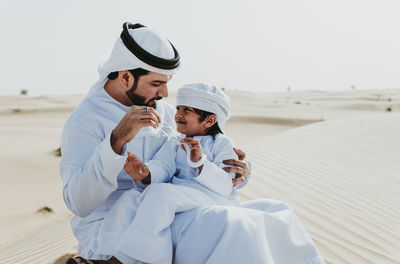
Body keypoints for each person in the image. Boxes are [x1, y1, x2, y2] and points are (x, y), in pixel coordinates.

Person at [61, 22, 324, 264]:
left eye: (166, 84)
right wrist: (116, 140)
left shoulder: (162, 109)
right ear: (126, 77)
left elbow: (197, 151)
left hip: (173, 210)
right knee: (232, 226)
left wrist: (236, 171)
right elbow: (78, 204)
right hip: (116, 227)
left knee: (275, 214)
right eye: (156, 84)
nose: (164, 94)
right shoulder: (85, 120)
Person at [104, 83, 241, 263]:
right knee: (130, 198)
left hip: (211, 196)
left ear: (209, 120)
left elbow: (226, 185)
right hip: (179, 194)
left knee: (161, 193)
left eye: (187, 110)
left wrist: (201, 163)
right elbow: (163, 166)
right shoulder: (176, 142)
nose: (178, 114)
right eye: (178, 108)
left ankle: (145, 259)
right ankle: (106, 252)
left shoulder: (222, 143)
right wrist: (145, 172)